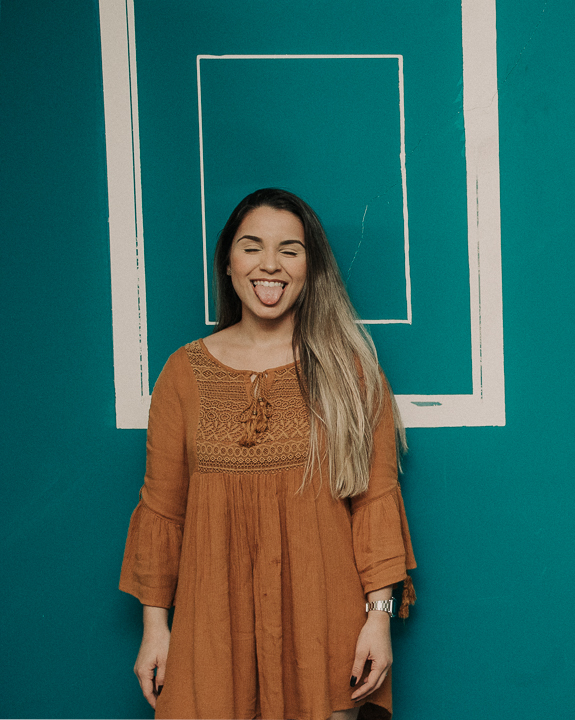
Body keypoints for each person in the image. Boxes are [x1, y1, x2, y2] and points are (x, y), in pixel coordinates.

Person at [120, 189, 416, 720]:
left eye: (290, 250)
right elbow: (163, 509)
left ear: (310, 267)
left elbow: (375, 502)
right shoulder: (182, 374)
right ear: (228, 263)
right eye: (252, 247)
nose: (270, 265)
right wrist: (155, 628)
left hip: (324, 629)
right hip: (210, 629)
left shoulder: (350, 372)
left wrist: (379, 619)